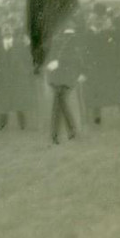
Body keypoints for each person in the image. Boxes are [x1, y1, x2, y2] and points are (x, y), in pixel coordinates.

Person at [46, 15, 85, 144]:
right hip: (58, 74)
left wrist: (58, 62)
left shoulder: (75, 38)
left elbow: (77, 57)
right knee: (59, 102)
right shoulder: (58, 38)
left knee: (58, 102)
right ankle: (70, 131)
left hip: (68, 74)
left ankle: (57, 133)